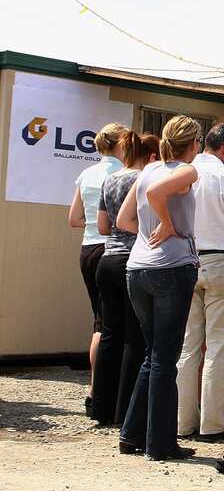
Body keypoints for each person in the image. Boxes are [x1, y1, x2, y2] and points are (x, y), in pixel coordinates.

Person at [116, 116, 203, 461]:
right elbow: (156, 195)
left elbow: (124, 220)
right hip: (173, 267)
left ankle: (132, 433)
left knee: (153, 355)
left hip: (137, 268)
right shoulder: (188, 171)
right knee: (166, 359)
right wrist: (168, 225)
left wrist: (151, 230)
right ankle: (161, 444)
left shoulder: (147, 170)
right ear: (193, 143)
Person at [176, 123, 224, 441]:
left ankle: (182, 421)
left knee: (188, 347)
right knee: (219, 347)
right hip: (221, 260)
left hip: (187, 259)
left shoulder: (185, 171)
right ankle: (214, 423)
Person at [91, 131, 160, 425]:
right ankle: (126, 412)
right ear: (151, 156)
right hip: (134, 260)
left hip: (107, 259)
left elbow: (103, 226)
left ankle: (101, 408)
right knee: (135, 337)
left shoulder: (111, 179)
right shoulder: (144, 180)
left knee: (109, 334)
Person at [69, 122, 128, 415]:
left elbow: (73, 217)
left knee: (99, 319)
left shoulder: (87, 173)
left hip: (87, 247)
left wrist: (93, 223)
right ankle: (103, 387)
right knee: (111, 324)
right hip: (112, 247)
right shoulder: (120, 175)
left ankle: (96, 388)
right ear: (121, 144)